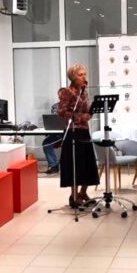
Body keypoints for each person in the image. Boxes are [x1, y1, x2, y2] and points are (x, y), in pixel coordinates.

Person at [57, 63, 99, 206]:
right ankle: (74, 196)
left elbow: (86, 109)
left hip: (84, 131)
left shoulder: (84, 91)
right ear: (73, 77)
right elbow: (62, 112)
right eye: (80, 75)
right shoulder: (67, 92)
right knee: (75, 164)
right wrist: (80, 117)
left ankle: (83, 192)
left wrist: (91, 111)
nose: (84, 77)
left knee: (87, 163)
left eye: (84, 74)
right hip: (72, 132)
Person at [42, 94, 63, 174]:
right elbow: (54, 121)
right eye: (60, 95)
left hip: (69, 134)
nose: (61, 97)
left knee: (69, 144)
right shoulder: (55, 106)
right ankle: (54, 166)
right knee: (46, 143)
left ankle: (65, 165)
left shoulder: (72, 107)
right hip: (56, 134)